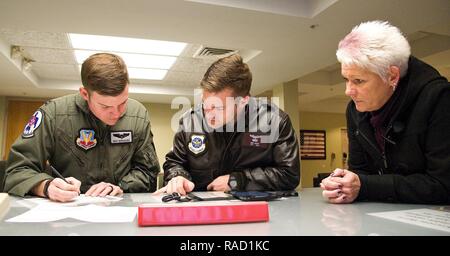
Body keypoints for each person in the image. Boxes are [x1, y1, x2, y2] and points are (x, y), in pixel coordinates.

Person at [321, 20, 450, 204]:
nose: (348, 91)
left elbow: (442, 185)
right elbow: (360, 172)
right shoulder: (355, 110)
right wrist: (343, 184)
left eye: (358, 81)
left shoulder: (439, 98)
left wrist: (365, 186)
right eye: (346, 80)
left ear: (392, 76)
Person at [3, 53, 160, 202]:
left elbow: (148, 173)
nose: (117, 113)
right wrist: (46, 186)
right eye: (105, 106)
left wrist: (120, 187)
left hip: (119, 209)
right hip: (65, 212)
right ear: (85, 94)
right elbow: (17, 172)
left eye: (123, 102)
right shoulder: (53, 114)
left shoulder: (138, 114)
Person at [157, 54, 300, 195]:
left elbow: (289, 174)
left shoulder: (274, 121)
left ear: (243, 101)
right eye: (205, 103)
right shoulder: (190, 120)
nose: (208, 114)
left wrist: (239, 180)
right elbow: (175, 163)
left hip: (257, 209)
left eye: (218, 107)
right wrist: (177, 176)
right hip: (201, 210)